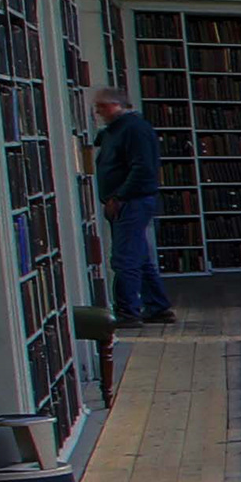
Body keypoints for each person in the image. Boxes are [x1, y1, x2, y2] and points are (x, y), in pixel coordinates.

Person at [91, 87, 169, 323]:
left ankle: (127, 311)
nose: (99, 111)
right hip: (128, 200)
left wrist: (120, 196)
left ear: (118, 105)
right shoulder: (117, 131)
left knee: (124, 258)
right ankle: (157, 305)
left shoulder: (134, 130)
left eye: (103, 106)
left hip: (131, 201)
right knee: (139, 256)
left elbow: (143, 169)